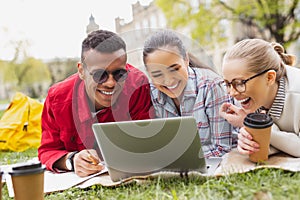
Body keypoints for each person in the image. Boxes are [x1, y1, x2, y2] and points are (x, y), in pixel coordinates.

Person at [38, 30, 154, 177]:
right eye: (100, 75)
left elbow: (146, 141)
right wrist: (72, 160)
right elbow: (47, 150)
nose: (111, 83)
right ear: (81, 71)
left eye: (119, 74)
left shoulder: (138, 85)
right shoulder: (58, 99)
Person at [142, 30, 234, 157]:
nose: (169, 80)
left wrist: (178, 158)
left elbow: (223, 149)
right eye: (157, 74)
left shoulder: (211, 86)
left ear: (186, 59)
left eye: (174, 69)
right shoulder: (152, 92)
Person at [219, 38, 300, 157]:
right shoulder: (249, 98)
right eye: (227, 84)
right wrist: (251, 139)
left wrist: (256, 127)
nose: (232, 93)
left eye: (240, 83)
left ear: (269, 78)